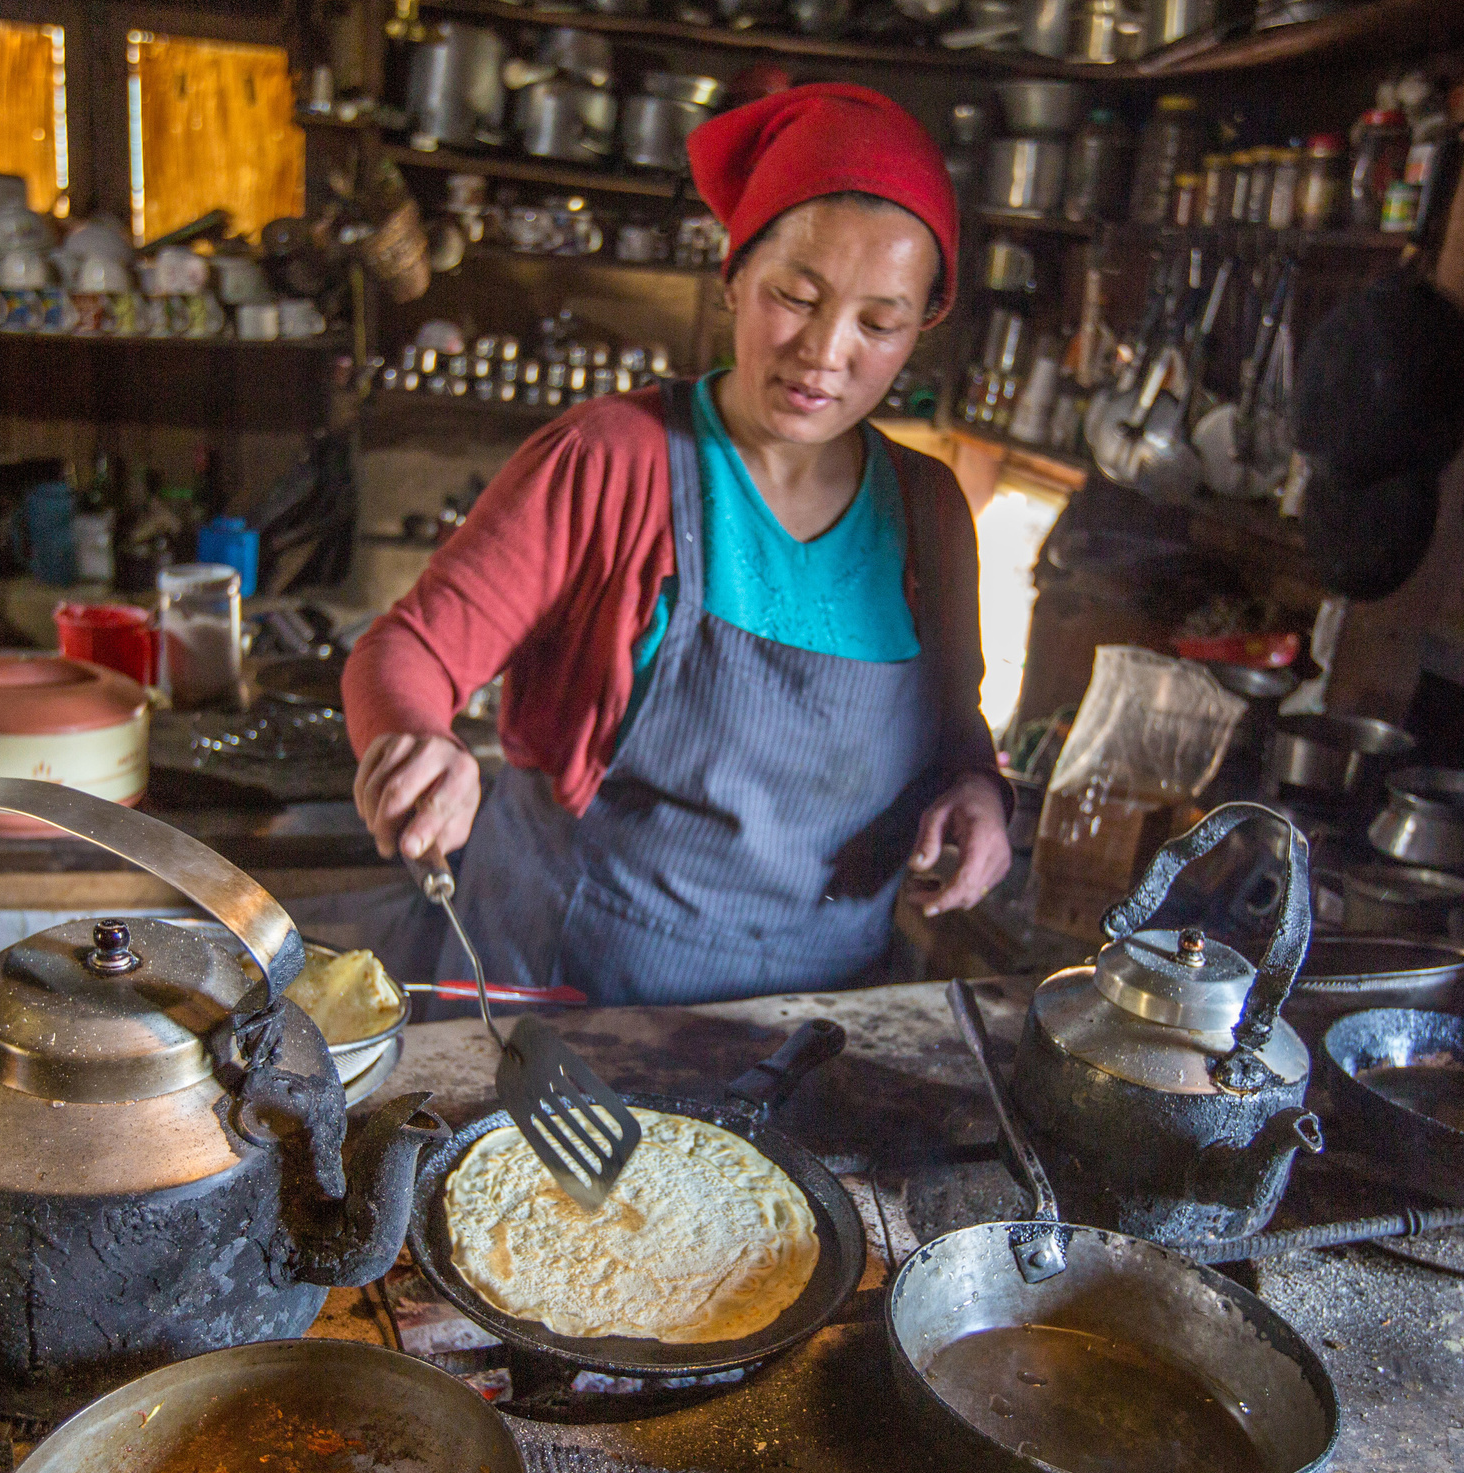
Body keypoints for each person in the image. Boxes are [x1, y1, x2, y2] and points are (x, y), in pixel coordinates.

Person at [342, 83, 1011, 1007]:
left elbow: (953, 726)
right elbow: (406, 648)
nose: (825, 350)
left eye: (879, 324)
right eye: (795, 296)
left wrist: (979, 789)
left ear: (919, 329)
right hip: (581, 1011)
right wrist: (418, 742)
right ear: (733, 273)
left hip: (816, 1017)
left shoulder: (929, 511)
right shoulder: (612, 459)